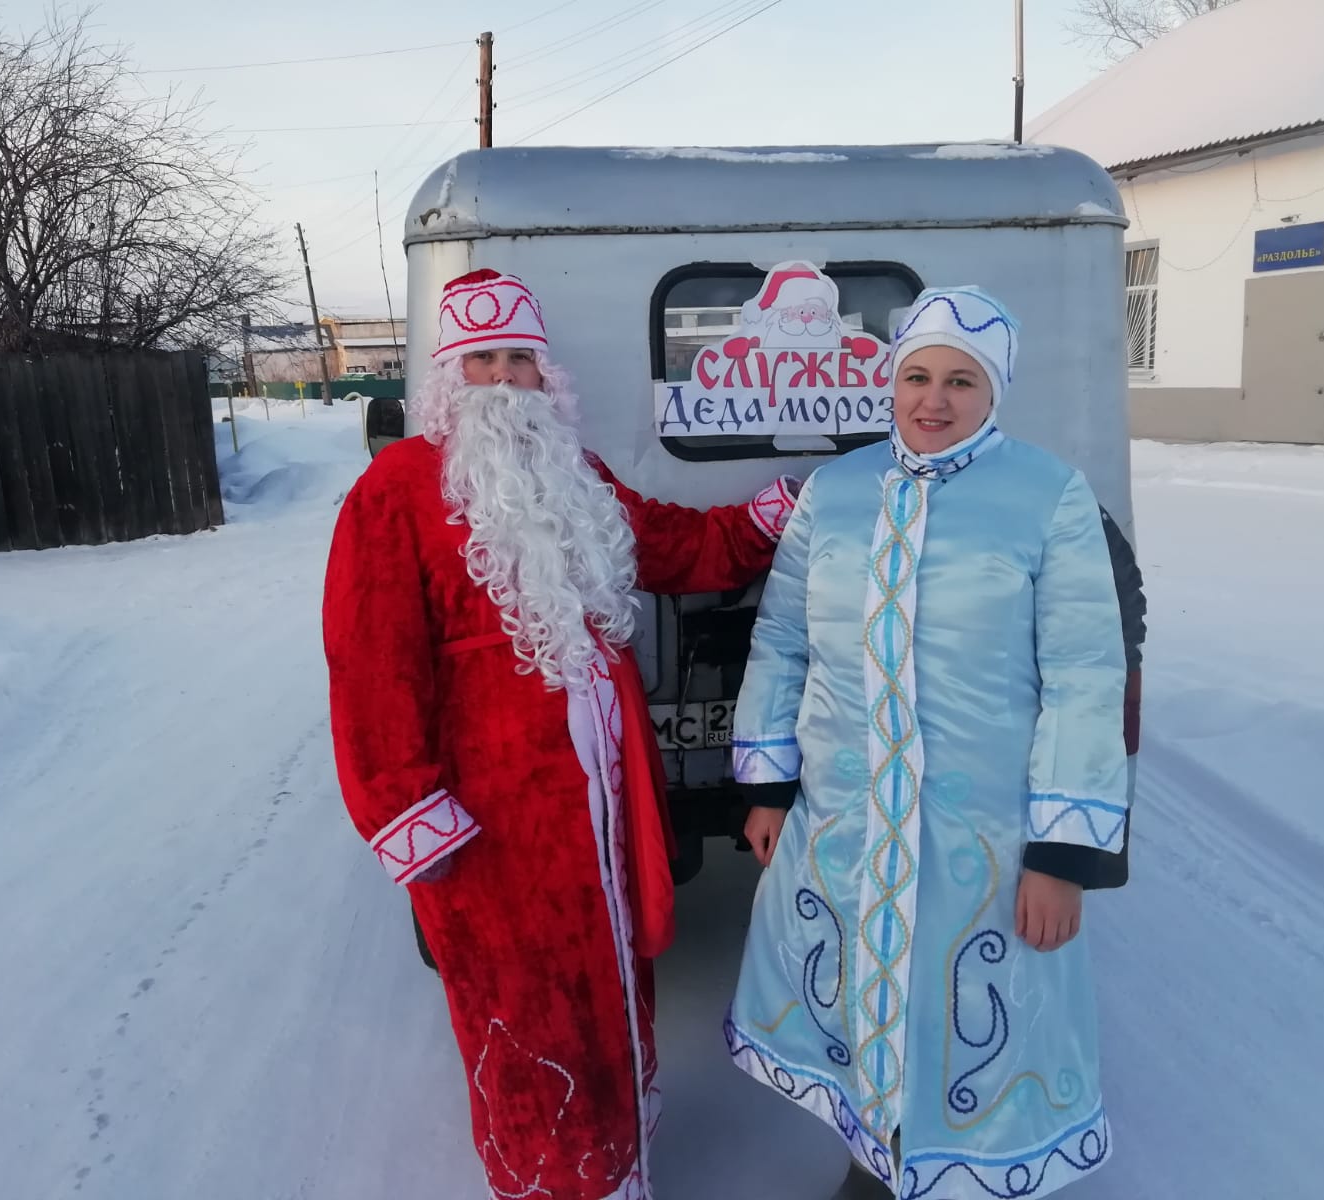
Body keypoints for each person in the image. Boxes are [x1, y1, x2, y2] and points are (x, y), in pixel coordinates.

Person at [322, 268, 798, 1200]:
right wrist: (410, 808)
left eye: (520, 360)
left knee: (609, 972)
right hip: (491, 817)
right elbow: (369, 663)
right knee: (524, 1001)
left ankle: (621, 1148)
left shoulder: (576, 474)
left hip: (603, 801)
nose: (504, 379)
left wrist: (768, 518)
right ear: (450, 381)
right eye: (483, 361)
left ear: (548, 378)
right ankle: (558, 1177)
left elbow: (672, 546)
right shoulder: (396, 491)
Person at [726, 286, 1134, 1199]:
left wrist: (1062, 854)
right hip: (848, 816)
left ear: (995, 392)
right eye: (917, 376)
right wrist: (769, 782)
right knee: (865, 992)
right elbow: (783, 640)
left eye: (961, 380)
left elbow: (1082, 675)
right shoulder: (835, 493)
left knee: (963, 1020)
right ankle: (877, 1162)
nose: (933, 400)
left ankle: (965, 1175)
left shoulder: (1049, 495)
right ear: (892, 381)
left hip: (982, 833)